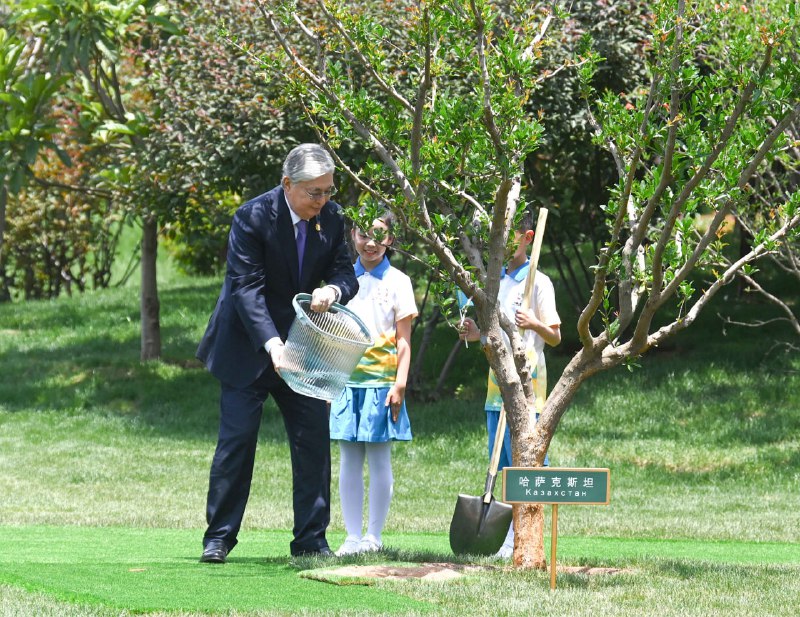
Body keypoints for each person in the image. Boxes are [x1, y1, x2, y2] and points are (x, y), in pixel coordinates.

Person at [196, 143, 359, 561]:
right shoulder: (251, 217)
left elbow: (344, 270)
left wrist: (333, 289)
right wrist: (273, 344)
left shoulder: (334, 218)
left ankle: (311, 541)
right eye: (314, 193)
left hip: (305, 350)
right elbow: (246, 290)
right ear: (288, 185)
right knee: (236, 443)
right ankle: (219, 538)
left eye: (328, 191)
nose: (322, 201)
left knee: (312, 444)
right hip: (248, 347)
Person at [459, 209, 561, 558]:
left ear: (527, 237)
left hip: (529, 389)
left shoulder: (540, 282)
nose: (499, 243)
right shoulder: (494, 283)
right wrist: (474, 334)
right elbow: (491, 334)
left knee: (527, 463)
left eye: (508, 235)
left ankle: (526, 535)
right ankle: (506, 536)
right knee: (501, 462)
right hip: (495, 387)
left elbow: (556, 337)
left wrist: (533, 322)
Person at [329, 209, 418, 556]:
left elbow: (404, 341)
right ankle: (352, 537)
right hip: (345, 383)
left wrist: (400, 384)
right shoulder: (340, 282)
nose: (371, 243)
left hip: (383, 384)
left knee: (380, 460)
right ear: (353, 235)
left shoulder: (399, 282)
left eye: (379, 236)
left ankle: (373, 537)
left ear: (390, 240)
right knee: (349, 459)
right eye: (364, 234)